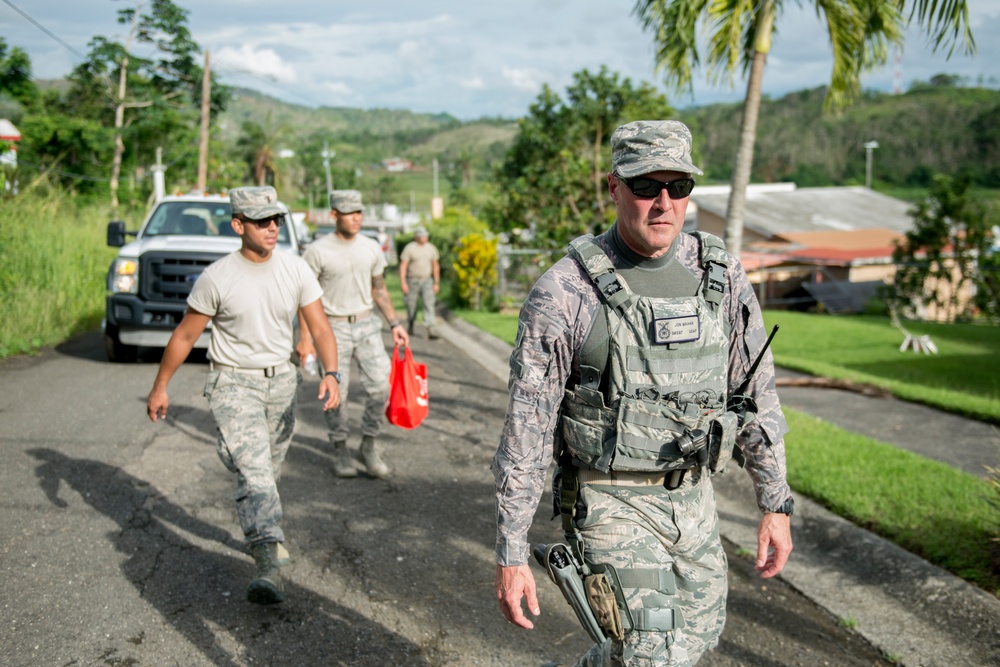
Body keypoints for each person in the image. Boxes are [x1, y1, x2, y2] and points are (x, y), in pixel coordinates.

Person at [491, 120, 794, 666]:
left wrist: (775, 501)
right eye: (644, 186)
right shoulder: (566, 292)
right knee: (655, 653)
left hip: (693, 501)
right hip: (608, 502)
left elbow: (756, 392)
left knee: (695, 640)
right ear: (613, 188)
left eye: (677, 187)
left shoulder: (719, 276)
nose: (662, 203)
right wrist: (512, 551)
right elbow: (528, 429)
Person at [146, 185, 342, 606]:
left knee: (267, 469)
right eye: (261, 221)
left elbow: (321, 328)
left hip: (283, 383)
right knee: (255, 472)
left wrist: (332, 373)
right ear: (238, 225)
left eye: (276, 220)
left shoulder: (295, 270)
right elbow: (185, 335)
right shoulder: (218, 276)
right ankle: (268, 561)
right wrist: (160, 387)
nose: (272, 228)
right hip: (234, 383)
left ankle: (261, 522)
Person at [298, 189, 409, 480]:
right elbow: (304, 298)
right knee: (337, 393)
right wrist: (305, 338)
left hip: (366, 324)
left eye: (359, 212)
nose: (356, 218)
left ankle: (368, 445)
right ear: (334, 215)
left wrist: (395, 324)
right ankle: (340, 448)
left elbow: (379, 288)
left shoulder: (371, 247)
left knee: (381, 387)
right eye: (349, 213)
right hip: (331, 328)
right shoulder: (317, 251)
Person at [399, 225, 441, 339]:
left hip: (427, 280)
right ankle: (411, 323)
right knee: (411, 304)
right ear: (417, 237)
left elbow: (435, 265)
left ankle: (431, 328)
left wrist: (436, 282)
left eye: (426, 235)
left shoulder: (431, 248)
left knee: (429, 304)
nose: (425, 237)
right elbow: (403, 266)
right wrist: (403, 282)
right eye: (422, 236)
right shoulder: (409, 248)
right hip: (412, 280)